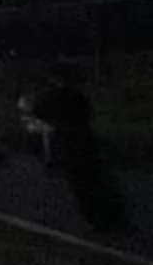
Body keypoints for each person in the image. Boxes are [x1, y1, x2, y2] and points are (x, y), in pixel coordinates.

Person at [35, 65, 130, 237]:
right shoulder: (78, 97)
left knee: (81, 184)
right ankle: (113, 218)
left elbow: (40, 116)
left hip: (67, 141)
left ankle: (97, 220)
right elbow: (89, 115)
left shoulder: (52, 97)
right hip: (85, 139)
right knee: (97, 179)